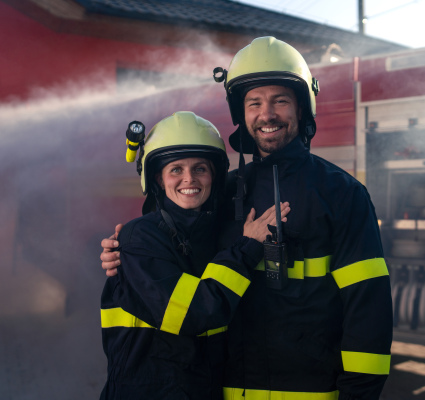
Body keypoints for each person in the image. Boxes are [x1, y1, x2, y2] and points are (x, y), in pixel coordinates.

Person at [102, 37, 393, 400]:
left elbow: (368, 306)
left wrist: (359, 395)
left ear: (302, 108)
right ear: (241, 114)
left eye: (280, 101)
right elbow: (172, 243)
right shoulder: (221, 191)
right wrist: (124, 246)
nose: (267, 114)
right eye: (254, 103)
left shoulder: (342, 194)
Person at [100, 111, 289, 399]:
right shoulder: (140, 237)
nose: (189, 178)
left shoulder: (211, 234)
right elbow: (192, 313)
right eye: (176, 169)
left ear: (214, 176)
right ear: (158, 180)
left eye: (200, 168)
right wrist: (248, 248)